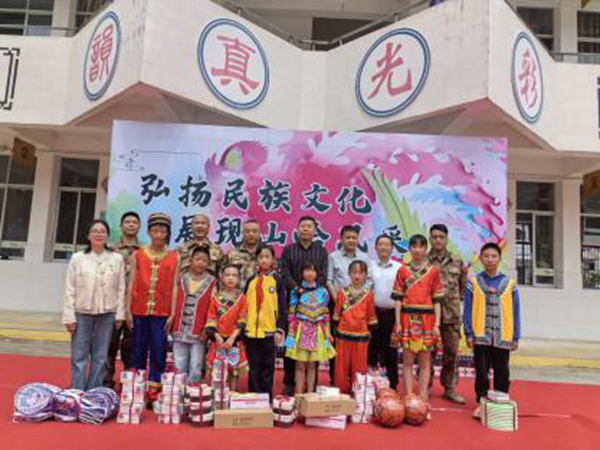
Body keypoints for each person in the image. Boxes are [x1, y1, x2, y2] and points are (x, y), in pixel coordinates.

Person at [62, 219, 126, 391]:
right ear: (88, 235)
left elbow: (121, 288)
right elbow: (69, 288)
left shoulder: (117, 258)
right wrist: (69, 316)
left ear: (107, 235)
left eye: (102, 231)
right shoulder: (78, 258)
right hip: (82, 313)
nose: (99, 234)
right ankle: (77, 390)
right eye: (95, 231)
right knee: (79, 355)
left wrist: (120, 314)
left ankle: (94, 392)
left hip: (107, 314)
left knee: (101, 355)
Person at [464, 242, 521, 419]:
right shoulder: (473, 282)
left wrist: (516, 336)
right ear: (481, 259)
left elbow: (516, 310)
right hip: (480, 335)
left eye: (494, 256)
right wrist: (468, 332)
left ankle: (500, 403)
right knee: (481, 372)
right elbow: (467, 309)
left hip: (503, 336)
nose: (490, 259)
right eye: (486, 256)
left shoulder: (509, 284)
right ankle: (481, 403)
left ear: (499, 259)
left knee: (502, 371)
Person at [127, 213, 179, 403]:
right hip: (139, 310)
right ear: (149, 232)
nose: (159, 234)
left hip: (162, 312)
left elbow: (175, 286)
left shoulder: (175, 257)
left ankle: (154, 392)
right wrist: (127, 310)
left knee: (159, 351)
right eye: (155, 230)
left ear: (167, 234)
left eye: (162, 231)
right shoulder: (138, 254)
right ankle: (137, 390)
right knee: (138, 350)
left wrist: (172, 312)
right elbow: (131, 282)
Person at [392, 234, 443, 409]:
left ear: (425, 249)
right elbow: (398, 299)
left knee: (425, 362)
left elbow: (437, 300)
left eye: (421, 246)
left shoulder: (433, 271)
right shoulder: (402, 270)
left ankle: (422, 399)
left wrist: (437, 324)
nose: (417, 250)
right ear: (409, 249)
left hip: (427, 319)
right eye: (414, 246)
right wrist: (398, 322)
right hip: (407, 318)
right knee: (407, 361)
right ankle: (408, 397)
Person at [279, 216, 329, 395]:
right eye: (303, 226)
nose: (306, 229)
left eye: (310, 226)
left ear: (315, 230)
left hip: (315, 303)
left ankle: (311, 387)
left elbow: (323, 275)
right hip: (294, 302)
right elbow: (284, 272)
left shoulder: (321, 251)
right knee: (292, 343)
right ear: (298, 229)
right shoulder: (289, 250)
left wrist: (312, 292)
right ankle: (289, 383)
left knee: (313, 348)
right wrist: (297, 289)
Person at [428, 224, 468, 404]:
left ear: (447, 239)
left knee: (451, 353)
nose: (438, 240)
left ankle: (449, 389)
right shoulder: (424, 261)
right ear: (430, 239)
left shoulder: (457, 261)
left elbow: (462, 287)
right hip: (429, 316)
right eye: (435, 236)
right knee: (427, 354)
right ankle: (425, 386)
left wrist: (453, 301)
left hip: (451, 315)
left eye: (441, 237)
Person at [327, 225, 372, 383]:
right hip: (339, 305)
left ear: (358, 239)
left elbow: (369, 281)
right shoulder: (333, 257)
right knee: (338, 349)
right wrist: (340, 301)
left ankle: (357, 385)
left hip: (361, 308)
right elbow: (329, 280)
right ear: (341, 239)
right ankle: (336, 381)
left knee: (359, 353)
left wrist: (358, 300)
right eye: (348, 237)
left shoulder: (365, 257)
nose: (351, 240)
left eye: (354, 237)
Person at [244, 245, 287, 399]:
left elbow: (282, 307)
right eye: (260, 257)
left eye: (267, 257)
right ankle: (253, 398)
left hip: (269, 332)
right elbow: (244, 306)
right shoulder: (251, 280)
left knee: (268, 368)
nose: (263, 260)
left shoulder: (277, 280)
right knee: (253, 367)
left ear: (273, 259)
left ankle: (266, 399)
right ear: (256, 259)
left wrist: (280, 329)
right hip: (251, 332)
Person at [286, 262, 336, 394]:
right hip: (300, 329)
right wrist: (290, 333)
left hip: (317, 330)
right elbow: (291, 313)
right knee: (299, 364)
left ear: (317, 273)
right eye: (307, 270)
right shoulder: (296, 291)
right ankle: (298, 395)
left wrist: (328, 333)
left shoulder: (323, 292)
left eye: (313, 270)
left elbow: (326, 314)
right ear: (302, 273)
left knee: (313, 365)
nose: (310, 273)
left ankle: (309, 395)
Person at [104, 211, 140, 389]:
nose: (131, 225)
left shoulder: (144, 252)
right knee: (109, 343)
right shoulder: (110, 250)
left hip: (135, 305)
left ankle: (128, 381)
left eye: (134, 222)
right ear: (121, 226)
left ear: (139, 227)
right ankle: (106, 381)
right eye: (127, 222)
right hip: (113, 304)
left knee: (130, 345)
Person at [170, 246, 216, 384]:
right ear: (190, 260)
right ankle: (179, 390)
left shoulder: (212, 282)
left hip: (199, 331)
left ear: (208, 263)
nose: (200, 263)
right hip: (179, 329)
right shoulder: (181, 278)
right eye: (197, 259)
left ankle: (193, 391)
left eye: (204, 260)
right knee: (179, 363)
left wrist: (207, 329)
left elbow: (213, 308)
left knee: (196, 365)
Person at [333, 260, 377, 394]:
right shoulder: (342, 293)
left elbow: (371, 316)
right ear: (349, 274)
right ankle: (341, 393)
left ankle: (358, 394)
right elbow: (336, 314)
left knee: (359, 367)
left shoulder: (368, 294)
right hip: (343, 334)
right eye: (354, 272)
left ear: (365, 275)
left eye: (360, 273)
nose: (357, 276)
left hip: (361, 335)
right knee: (341, 367)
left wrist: (369, 331)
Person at [205, 265, 248, 392]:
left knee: (233, 371)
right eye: (227, 275)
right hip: (218, 340)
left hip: (234, 340)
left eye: (234, 275)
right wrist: (217, 337)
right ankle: (217, 396)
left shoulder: (241, 298)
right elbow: (211, 319)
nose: (230, 278)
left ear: (239, 279)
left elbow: (242, 319)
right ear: (222, 278)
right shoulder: (216, 298)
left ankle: (232, 395)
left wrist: (232, 338)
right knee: (217, 370)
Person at [368, 234, 402, 390]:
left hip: (392, 314)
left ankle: (392, 385)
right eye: (380, 244)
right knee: (372, 348)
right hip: (373, 313)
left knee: (391, 350)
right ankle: (370, 384)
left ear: (392, 248)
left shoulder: (399, 268)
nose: (383, 247)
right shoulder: (369, 266)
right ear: (375, 247)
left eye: (387, 244)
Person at [226, 219, 262, 291]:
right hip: (237, 295)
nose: (251, 234)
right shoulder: (232, 254)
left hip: (260, 295)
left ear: (259, 233)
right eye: (247, 231)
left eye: (254, 231)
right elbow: (223, 276)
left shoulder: (265, 254)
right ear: (242, 233)